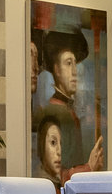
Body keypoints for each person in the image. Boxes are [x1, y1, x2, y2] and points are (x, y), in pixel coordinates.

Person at [41, 29, 103, 180]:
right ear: (57, 70)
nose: (75, 71)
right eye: (68, 64)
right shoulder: (56, 111)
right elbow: (56, 172)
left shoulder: (67, 109)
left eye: (75, 64)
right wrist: (89, 167)